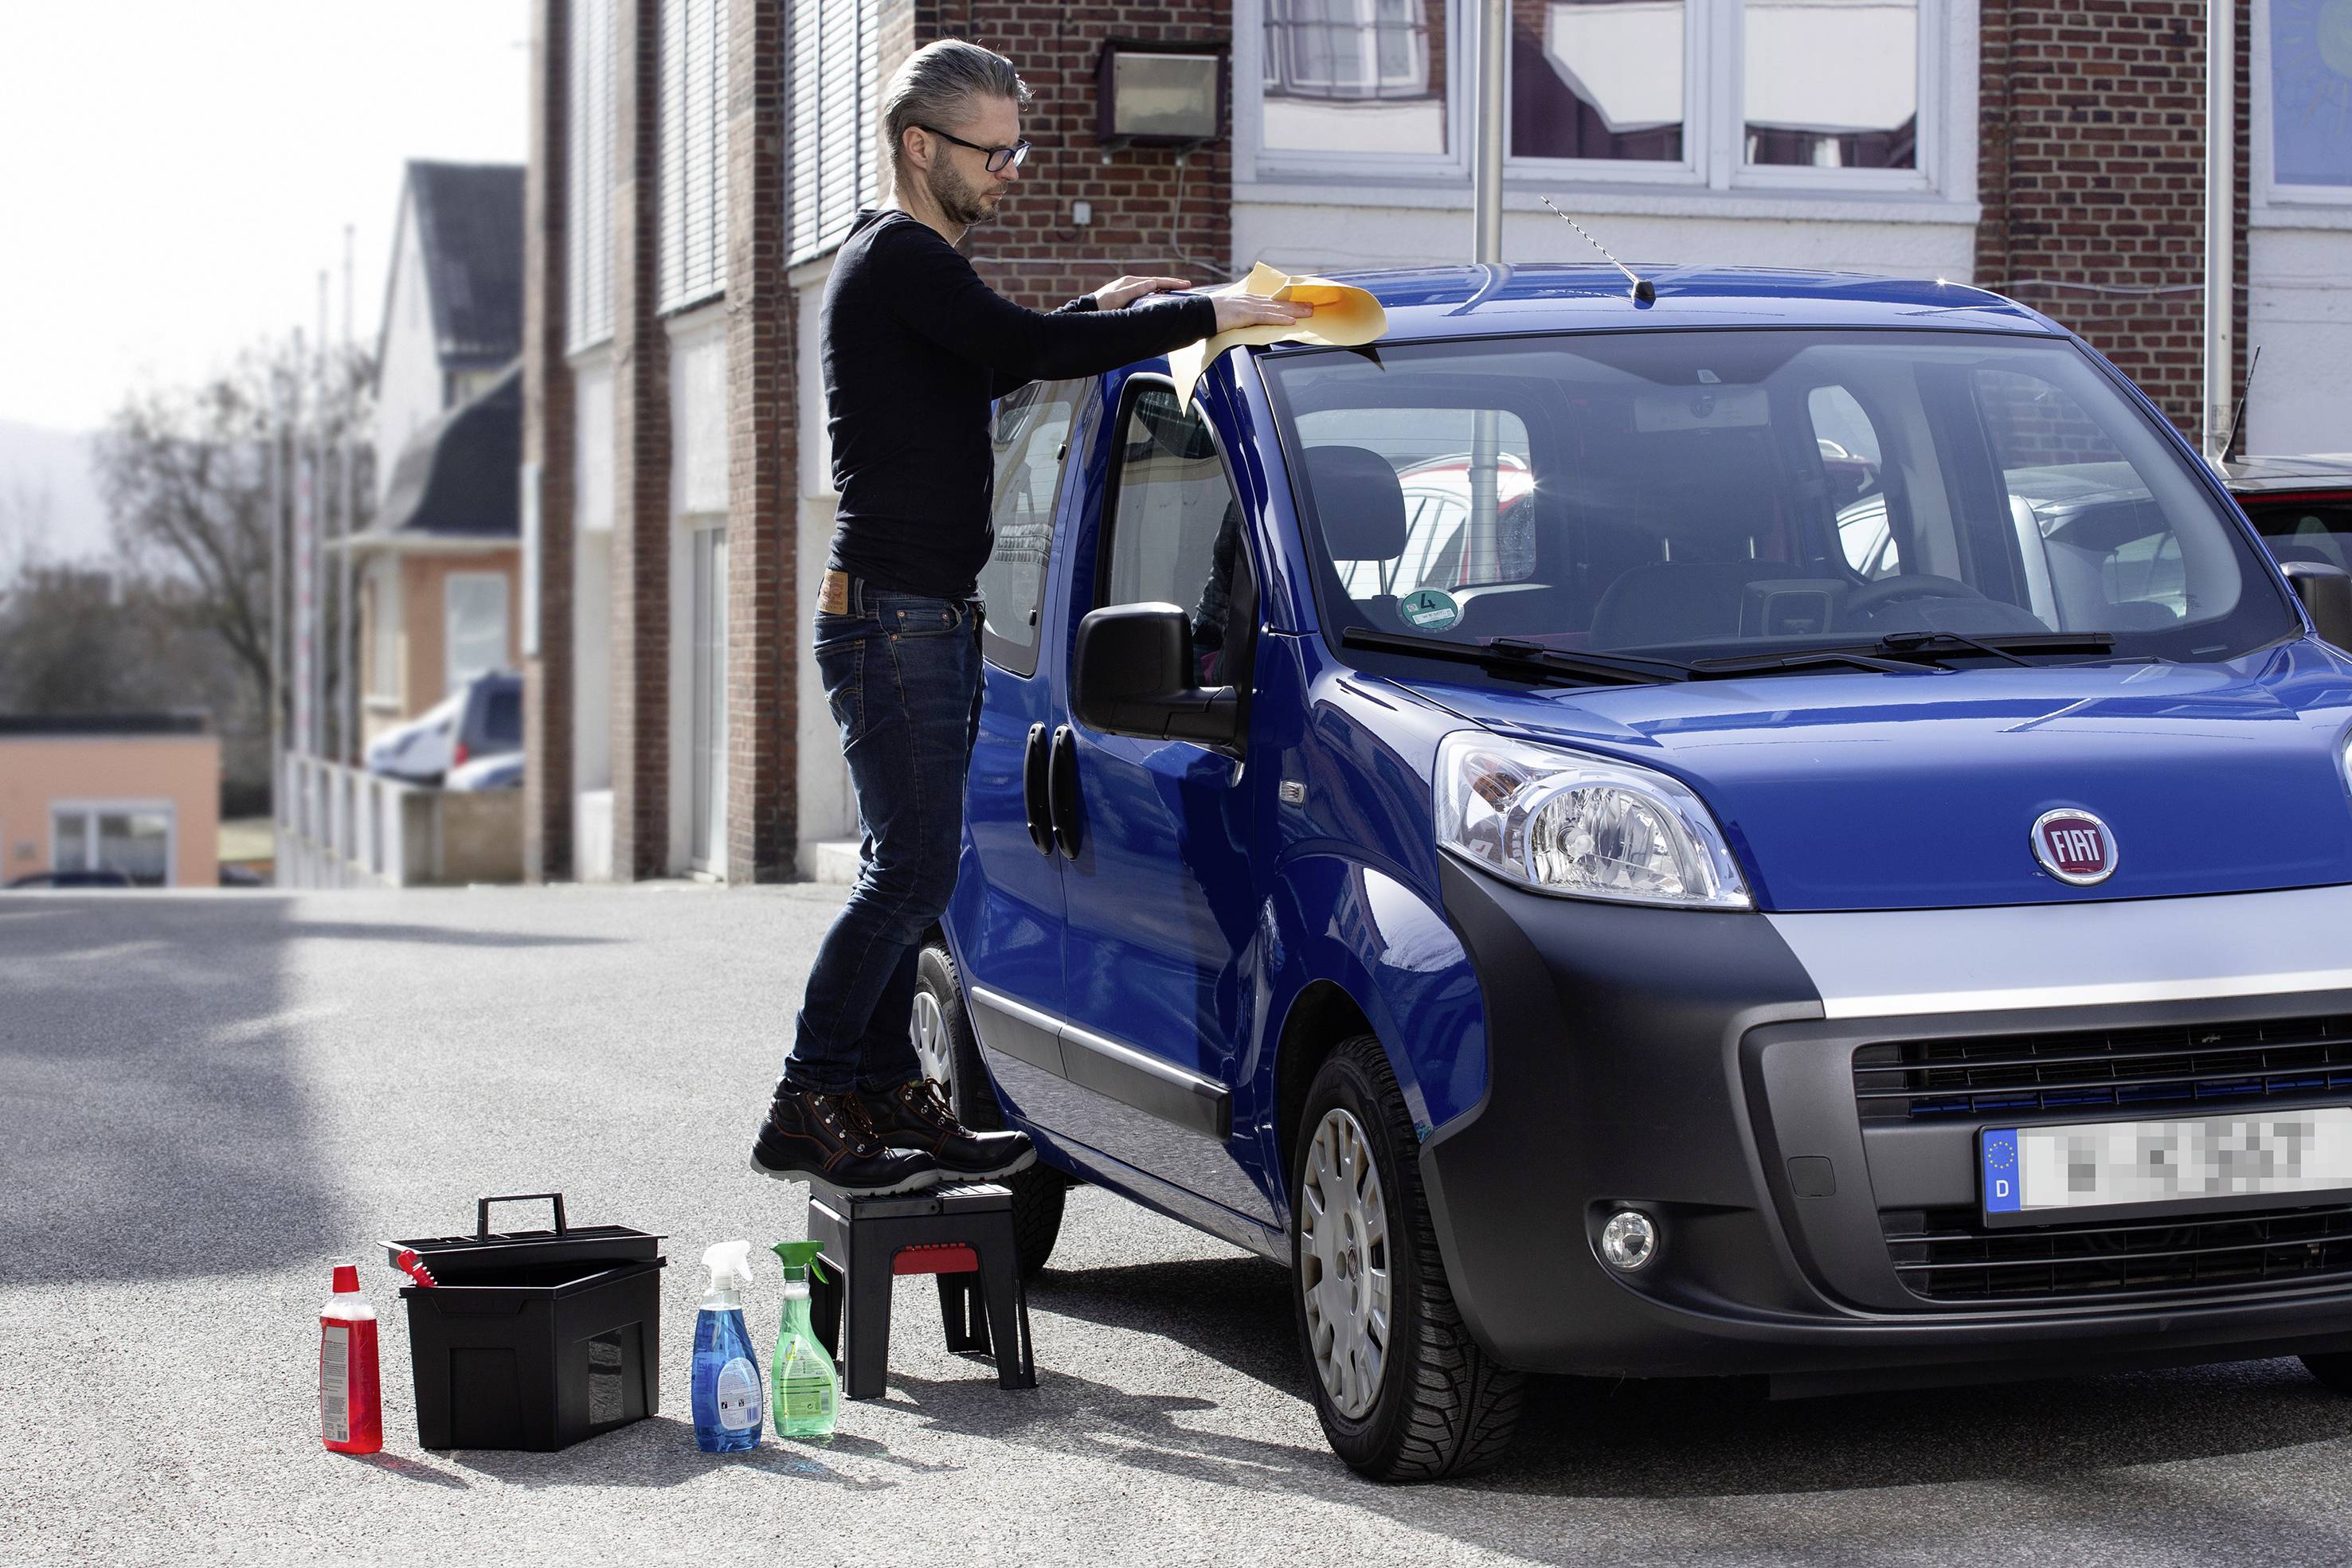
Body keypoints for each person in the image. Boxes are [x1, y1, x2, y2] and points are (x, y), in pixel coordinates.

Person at [749, 39, 1313, 1195]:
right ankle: (809, 1096)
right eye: (991, 150)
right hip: (893, 621)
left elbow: (999, 360)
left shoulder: (918, 275)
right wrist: (1209, 308)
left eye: (1018, 147)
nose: (1008, 168)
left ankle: (875, 1084)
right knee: (908, 875)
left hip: (924, 620)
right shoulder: (896, 256)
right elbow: (1021, 350)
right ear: (921, 147)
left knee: (915, 864)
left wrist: (1091, 306)